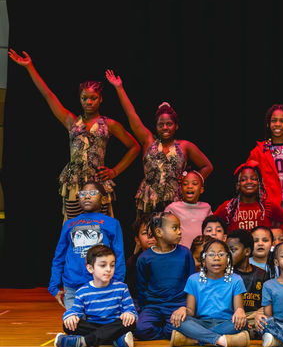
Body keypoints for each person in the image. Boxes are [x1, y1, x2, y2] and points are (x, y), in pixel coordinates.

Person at [8, 50, 140, 219]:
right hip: (74, 184)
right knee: (73, 225)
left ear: (100, 99)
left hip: (97, 183)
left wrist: (114, 171)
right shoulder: (71, 121)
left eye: (93, 98)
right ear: (80, 99)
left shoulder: (109, 124)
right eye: (85, 98)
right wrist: (30, 67)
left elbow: (134, 147)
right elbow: (48, 95)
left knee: (99, 226)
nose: (89, 102)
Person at [105, 71, 214, 214]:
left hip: (176, 201)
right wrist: (119, 88)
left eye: (169, 124)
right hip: (149, 201)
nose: (165, 127)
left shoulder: (185, 146)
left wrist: (191, 182)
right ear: (155, 127)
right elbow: (132, 116)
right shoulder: (149, 141)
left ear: (176, 126)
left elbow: (207, 166)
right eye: (160, 124)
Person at [50, 181, 126, 312]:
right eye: (83, 193)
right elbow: (59, 256)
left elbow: (119, 255)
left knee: (99, 322)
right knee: (76, 323)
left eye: (92, 193)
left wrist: (117, 283)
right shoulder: (69, 224)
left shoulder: (112, 223)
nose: (87, 196)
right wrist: (54, 287)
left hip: (101, 286)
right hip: (73, 287)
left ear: (103, 199)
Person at [170, 238, 250, 347]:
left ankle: (196, 340)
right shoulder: (193, 280)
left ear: (228, 260)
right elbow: (191, 312)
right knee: (179, 321)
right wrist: (182, 309)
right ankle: (220, 340)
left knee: (243, 323)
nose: (216, 258)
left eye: (221, 254)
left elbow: (238, 311)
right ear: (203, 260)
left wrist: (240, 311)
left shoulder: (236, 280)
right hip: (201, 323)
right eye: (211, 255)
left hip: (226, 323)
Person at [55, 245, 136, 347]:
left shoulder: (122, 288)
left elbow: (131, 310)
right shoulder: (82, 292)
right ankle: (116, 340)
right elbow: (75, 311)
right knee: (67, 325)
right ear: (90, 268)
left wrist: (129, 313)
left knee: (131, 323)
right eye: (103, 265)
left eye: (112, 265)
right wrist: (70, 316)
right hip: (97, 327)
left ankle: (84, 341)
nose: (108, 269)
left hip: (115, 325)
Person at [135, 212, 195, 340]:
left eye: (179, 228)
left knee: (176, 328)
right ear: (159, 232)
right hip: (153, 306)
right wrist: (145, 310)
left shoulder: (185, 253)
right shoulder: (144, 258)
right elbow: (141, 287)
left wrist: (186, 307)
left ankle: (169, 331)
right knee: (141, 330)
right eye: (174, 228)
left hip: (178, 305)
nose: (179, 232)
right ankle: (164, 332)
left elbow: (192, 284)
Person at [214, 163, 283, 233]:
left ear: (259, 183)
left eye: (253, 179)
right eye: (243, 179)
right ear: (237, 186)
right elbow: (211, 223)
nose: (249, 181)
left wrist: (276, 236)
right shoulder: (228, 207)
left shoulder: (267, 205)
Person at [226, 229, 269, 338]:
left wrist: (255, 316)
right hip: (233, 319)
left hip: (255, 318)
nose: (228, 254)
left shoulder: (262, 274)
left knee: (270, 321)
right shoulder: (226, 274)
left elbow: (267, 305)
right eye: (227, 251)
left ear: (247, 251)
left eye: (233, 250)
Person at [165, 171, 213, 249]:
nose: (189, 186)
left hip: (201, 251)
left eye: (194, 184)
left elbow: (212, 228)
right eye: (185, 184)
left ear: (201, 190)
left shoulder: (206, 207)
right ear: (181, 189)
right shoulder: (173, 208)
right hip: (180, 252)